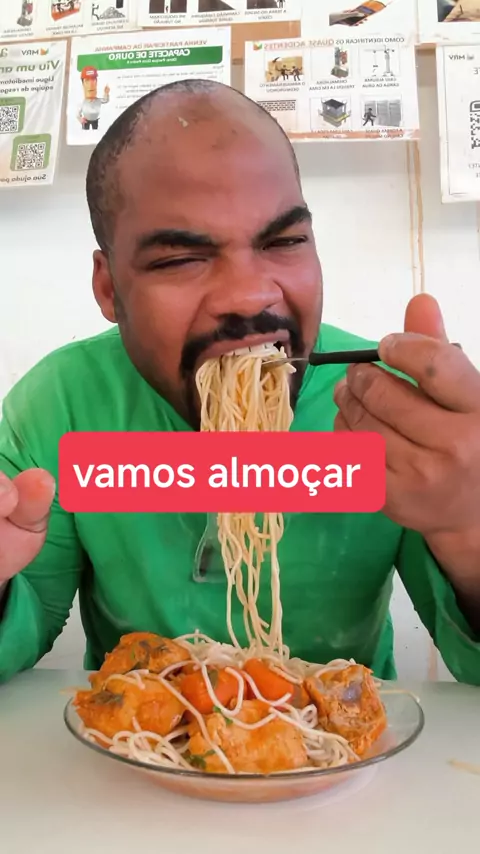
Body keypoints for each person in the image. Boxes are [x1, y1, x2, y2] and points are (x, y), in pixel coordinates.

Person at [0, 80, 479, 687]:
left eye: (285, 241)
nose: (250, 295)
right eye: (180, 259)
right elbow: (24, 627)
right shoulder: (62, 405)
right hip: (143, 734)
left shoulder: (387, 409)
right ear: (108, 288)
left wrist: (469, 528)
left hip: (344, 737)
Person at [77, 66, 110, 132]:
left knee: (96, 131)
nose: (91, 84)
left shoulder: (98, 100)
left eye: (93, 80)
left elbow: (105, 100)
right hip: (86, 121)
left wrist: (106, 93)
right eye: (87, 80)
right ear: (83, 84)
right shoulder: (82, 102)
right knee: (85, 132)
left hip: (95, 121)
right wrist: (80, 119)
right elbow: (78, 113)